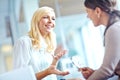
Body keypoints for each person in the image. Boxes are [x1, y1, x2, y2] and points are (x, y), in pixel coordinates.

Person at [13, 6, 69, 80]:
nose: (50, 21)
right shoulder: (24, 42)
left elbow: (50, 75)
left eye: (53, 19)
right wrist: (47, 72)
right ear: (36, 21)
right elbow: (19, 77)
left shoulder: (50, 43)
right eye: (46, 17)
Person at [79, 0, 120, 80]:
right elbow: (112, 67)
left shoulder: (114, 29)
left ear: (97, 11)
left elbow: (107, 70)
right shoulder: (115, 26)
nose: (87, 16)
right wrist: (95, 73)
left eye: (88, 11)